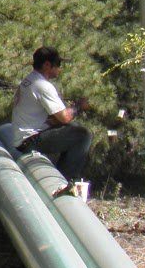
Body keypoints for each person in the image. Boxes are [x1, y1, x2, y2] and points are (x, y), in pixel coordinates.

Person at [9, 46, 92, 183]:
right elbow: (65, 117)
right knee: (83, 135)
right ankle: (66, 181)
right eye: (57, 65)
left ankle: (62, 177)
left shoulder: (29, 80)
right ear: (47, 65)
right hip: (30, 139)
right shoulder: (42, 85)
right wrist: (79, 106)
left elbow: (54, 117)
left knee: (75, 127)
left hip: (23, 137)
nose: (59, 68)